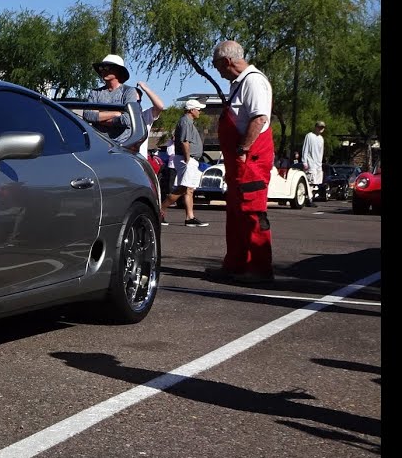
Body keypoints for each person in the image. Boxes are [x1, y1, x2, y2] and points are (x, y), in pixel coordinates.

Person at [206, 40, 275, 284]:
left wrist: (244, 149)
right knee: (235, 215)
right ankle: (235, 265)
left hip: (251, 162)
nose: (218, 71)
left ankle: (260, 270)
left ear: (227, 61)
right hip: (239, 163)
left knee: (252, 214)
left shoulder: (253, 81)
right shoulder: (239, 84)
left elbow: (259, 119)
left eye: (217, 66)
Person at [83, 54, 164, 156]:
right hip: (99, 146)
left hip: (122, 148)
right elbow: (88, 115)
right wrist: (116, 114)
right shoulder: (95, 93)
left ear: (118, 70)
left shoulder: (128, 91)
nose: (103, 70)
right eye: (101, 67)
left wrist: (99, 118)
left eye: (107, 67)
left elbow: (127, 120)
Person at [159, 99, 209, 227]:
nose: (199, 112)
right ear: (191, 110)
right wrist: (187, 158)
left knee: (189, 189)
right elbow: (184, 142)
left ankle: (190, 217)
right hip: (187, 159)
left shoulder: (188, 122)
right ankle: (160, 210)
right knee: (183, 188)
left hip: (190, 159)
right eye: (198, 109)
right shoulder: (186, 122)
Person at [301, 120, 326, 206]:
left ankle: (311, 198)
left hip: (318, 164)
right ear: (316, 127)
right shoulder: (309, 136)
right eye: (319, 127)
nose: (320, 129)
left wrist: (320, 163)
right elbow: (305, 148)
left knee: (316, 183)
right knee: (310, 181)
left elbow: (321, 152)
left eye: (322, 128)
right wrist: (304, 161)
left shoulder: (321, 139)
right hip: (310, 162)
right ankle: (308, 199)